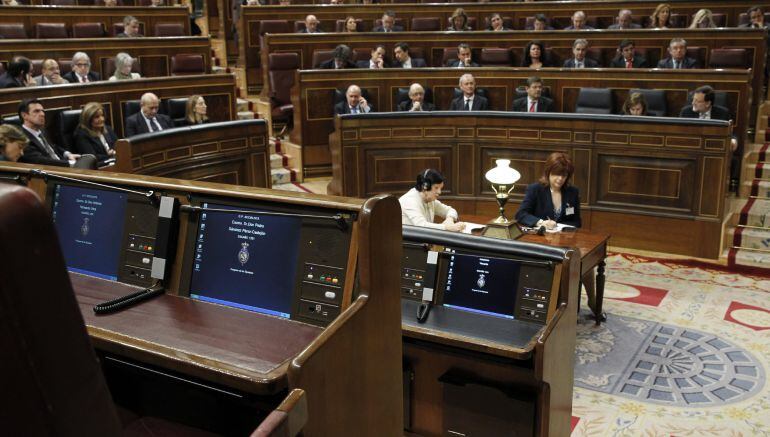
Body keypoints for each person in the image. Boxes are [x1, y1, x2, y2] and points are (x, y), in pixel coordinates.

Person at [515, 152, 581, 230]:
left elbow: (577, 222)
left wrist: (557, 226)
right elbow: (521, 214)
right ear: (548, 172)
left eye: (564, 175)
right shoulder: (535, 189)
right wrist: (542, 222)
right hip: (540, 237)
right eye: (557, 174)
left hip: (564, 238)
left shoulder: (573, 192)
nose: (560, 179)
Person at [18, 99, 80, 167]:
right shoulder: (21, 137)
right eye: (36, 111)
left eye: (42, 111)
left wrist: (68, 154)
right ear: (24, 115)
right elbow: (40, 161)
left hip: (63, 164)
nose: (42, 114)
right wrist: (71, 164)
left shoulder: (41, 130)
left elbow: (53, 147)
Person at [399, 169, 465, 232]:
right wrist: (447, 227)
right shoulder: (410, 201)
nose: (439, 192)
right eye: (436, 188)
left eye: (440, 188)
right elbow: (421, 226)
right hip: (408, 243)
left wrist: (449, 219)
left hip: (424, 241)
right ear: (425, 186)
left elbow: (451, 210)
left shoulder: (429, 199)